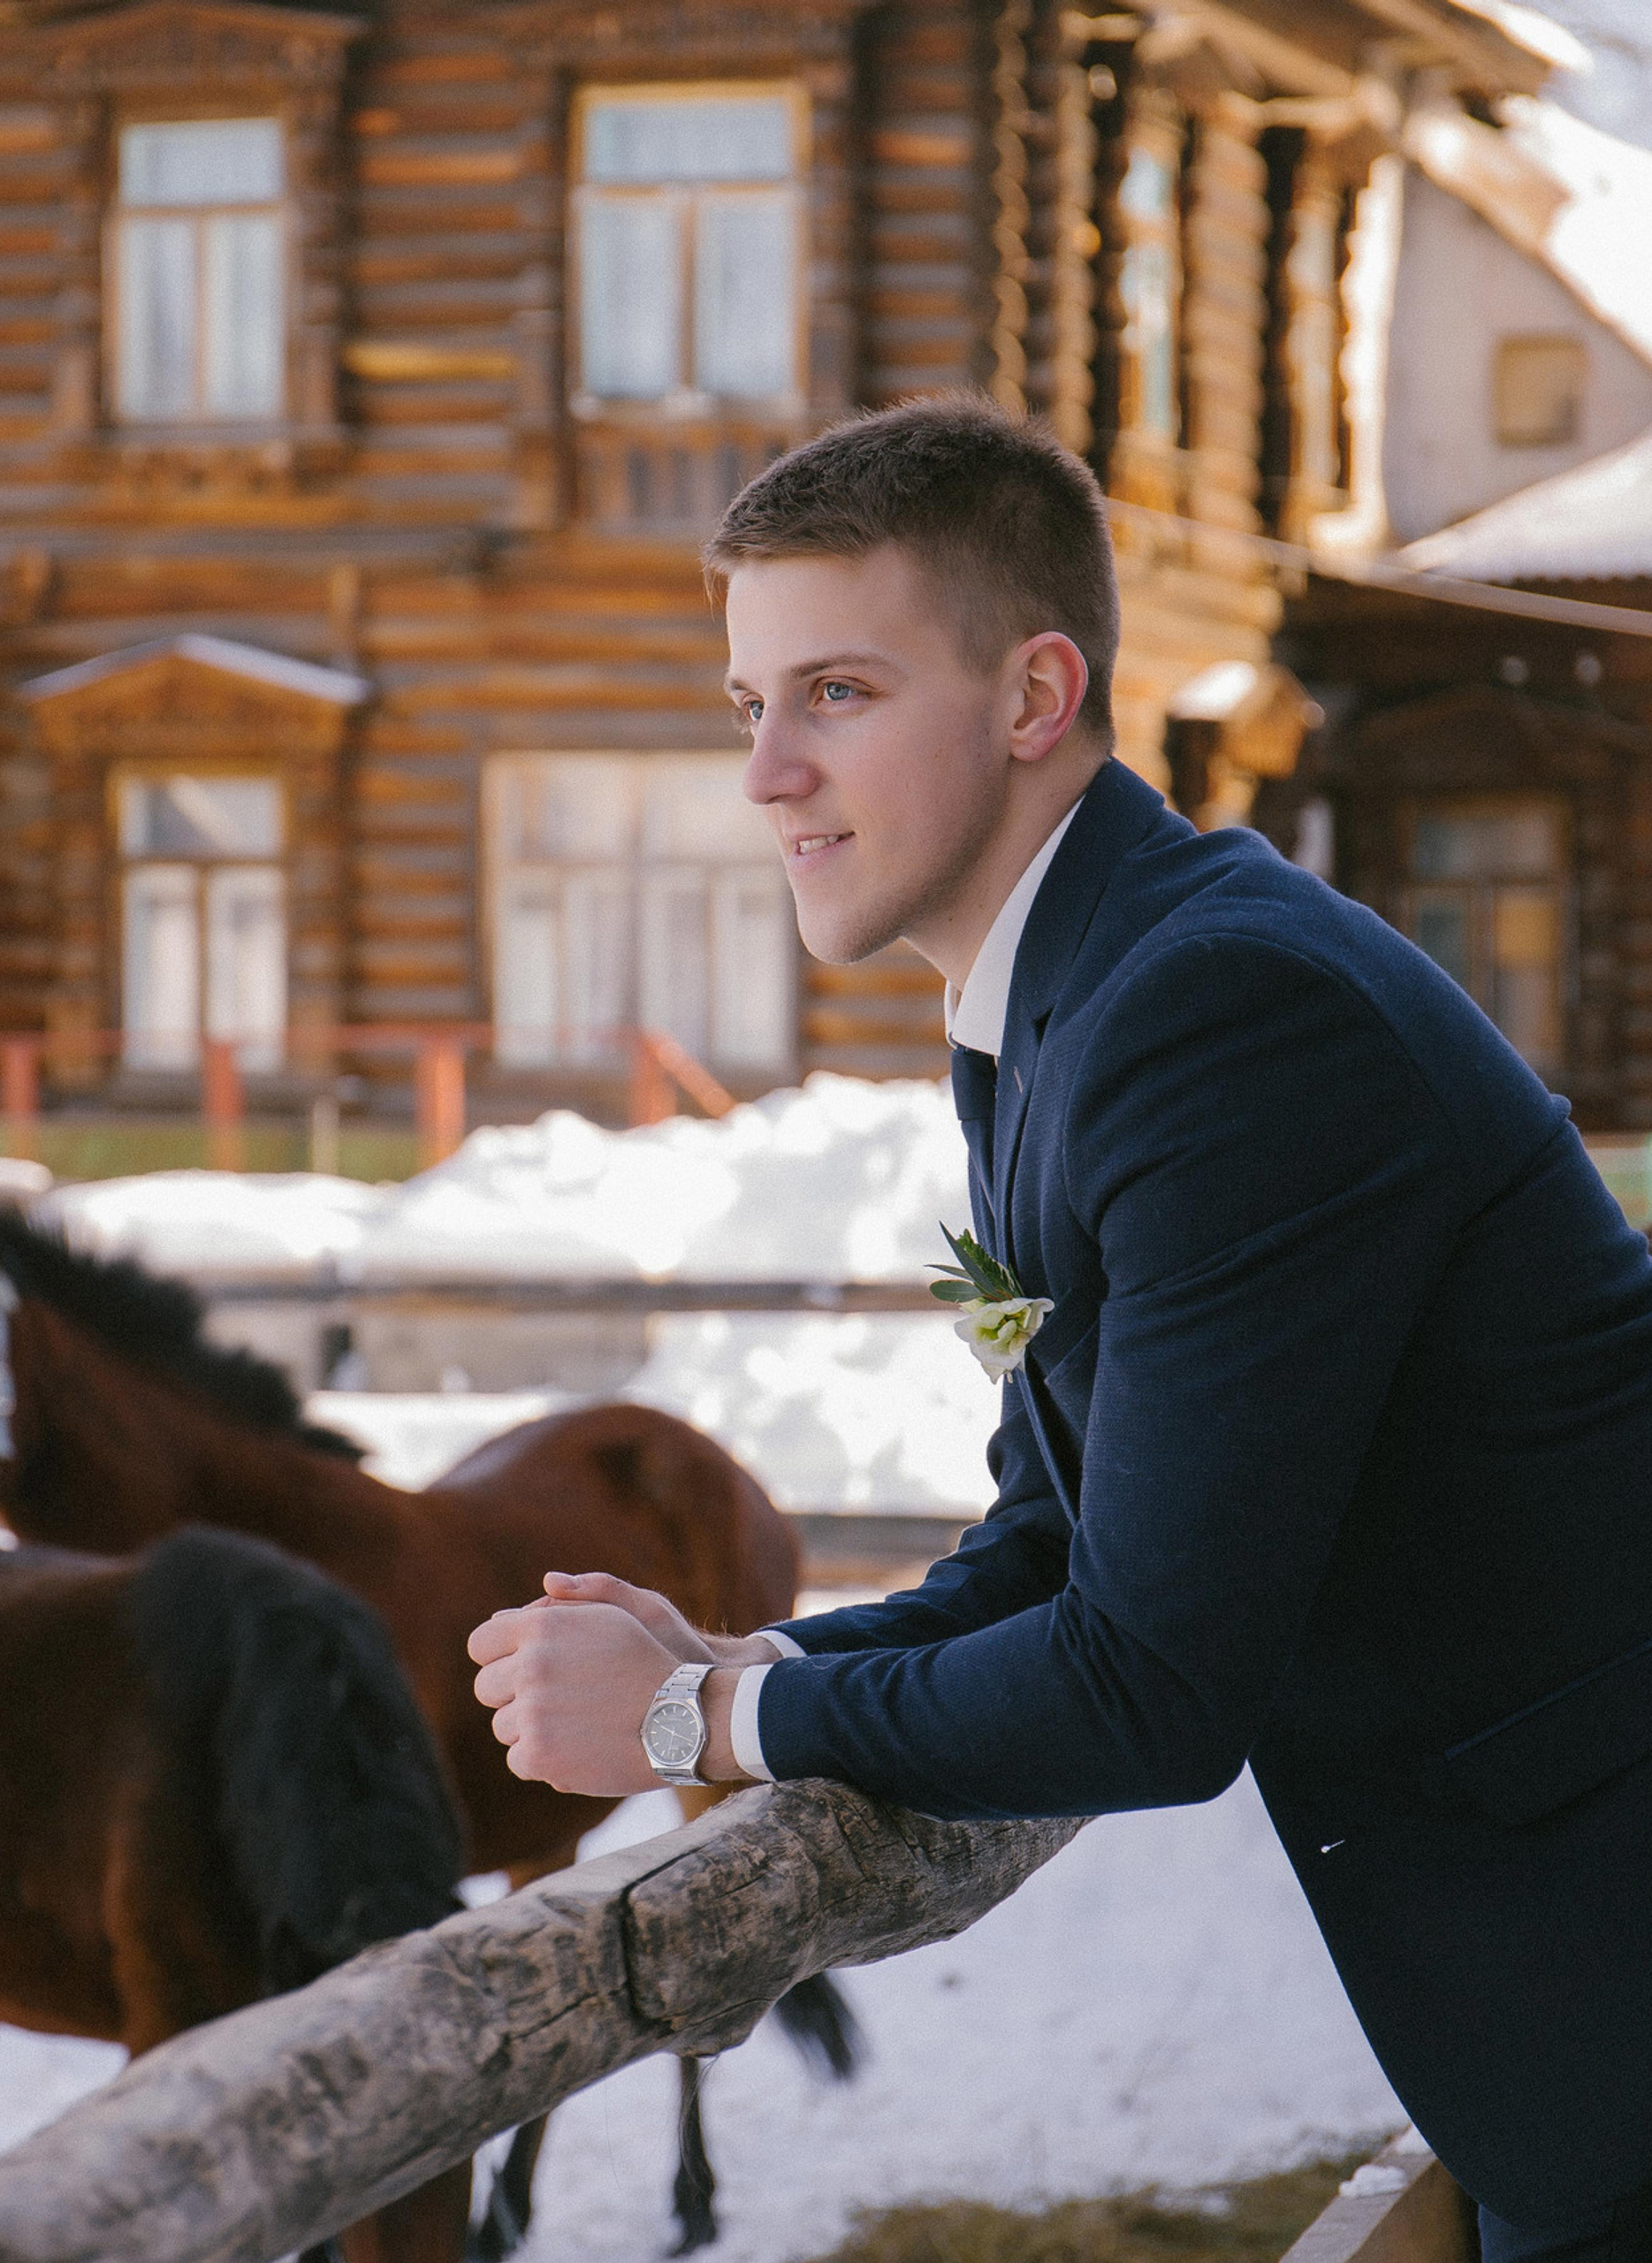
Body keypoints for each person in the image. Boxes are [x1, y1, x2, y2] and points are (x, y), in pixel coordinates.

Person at [467, 396, 1652, 2259]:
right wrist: (758, 1649)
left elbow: (1145, 1685)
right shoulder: (1060, 1004)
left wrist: (705, 1712)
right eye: (744, 704)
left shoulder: (1215, 1014)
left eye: (834, 691)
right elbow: (1055, 1532)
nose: (765, 771)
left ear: (1033, 694)